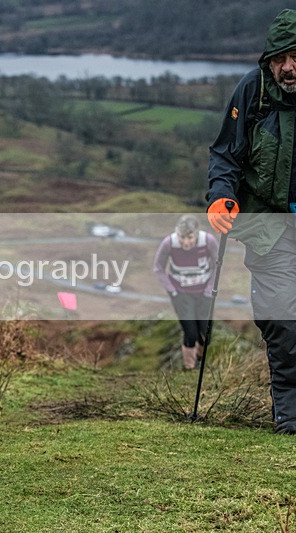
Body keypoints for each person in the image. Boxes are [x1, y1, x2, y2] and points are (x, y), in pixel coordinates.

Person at [207, 8, 296, 433]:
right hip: (268, 227)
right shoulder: (254, 90)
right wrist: (220, 197)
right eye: (281, 58)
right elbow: (225, 153)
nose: (289, 67)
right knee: (282, 319)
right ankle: (290, 419)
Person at [152, 215, 218, 369]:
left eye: (190, 237)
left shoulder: (208, 241)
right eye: (182, 237)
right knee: (190, 333)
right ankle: (189, 367)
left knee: (205, 334)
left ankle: (200, 359)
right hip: (181, 293)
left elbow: (217, 266)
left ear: (196, 233)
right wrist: (172, 291)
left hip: (204, 293)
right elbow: (158, 268)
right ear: (177, 234)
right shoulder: (169, 243)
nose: (186, 242)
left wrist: (210, 289)